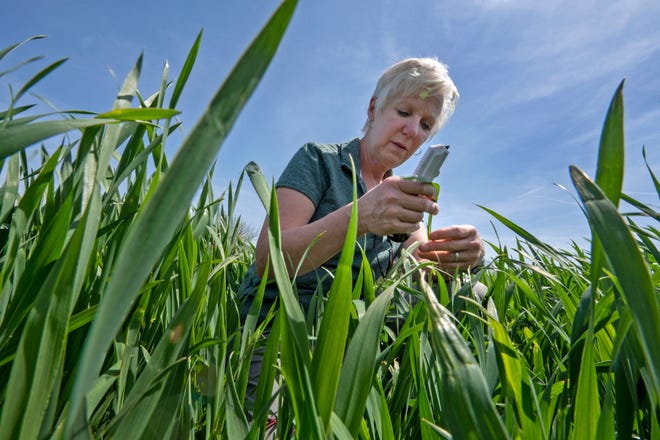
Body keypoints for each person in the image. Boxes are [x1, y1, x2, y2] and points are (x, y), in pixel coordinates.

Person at [238, 57, 485, 323]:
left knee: (475, 293)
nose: (412, 130)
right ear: (373, 108)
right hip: (281, 325)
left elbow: (421, 272)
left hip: (358, 327)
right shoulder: (318, 160)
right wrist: (362, 216)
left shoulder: (403, 196)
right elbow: (267, 259)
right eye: (403, 112)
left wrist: (467, 257)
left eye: (426, 125)